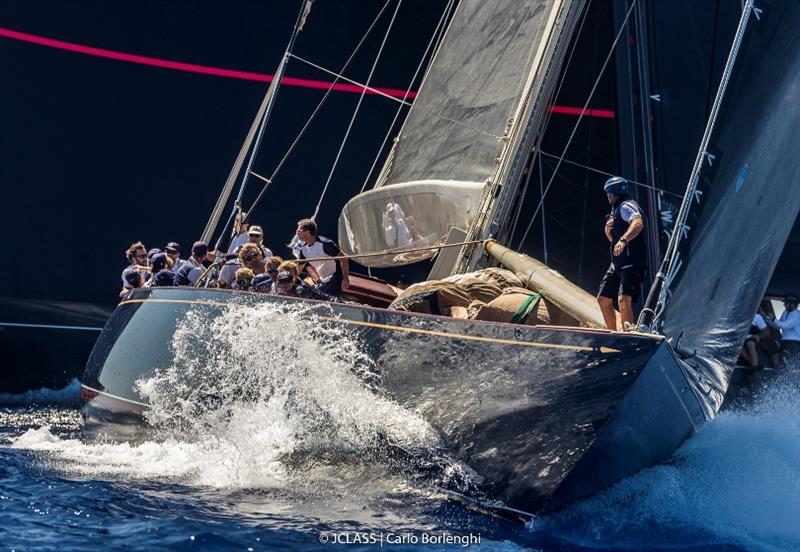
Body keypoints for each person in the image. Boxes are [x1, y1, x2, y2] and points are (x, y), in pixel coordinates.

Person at [596, 177, 647, 330]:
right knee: (603, 299)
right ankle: (613, 334)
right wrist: (609, 234)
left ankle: (627, 334)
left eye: (608, 193)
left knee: (623, 300)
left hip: (631, 262)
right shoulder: (616, 210)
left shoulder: (626, 206)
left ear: (612, 193)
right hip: (618, 263)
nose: (607, 197)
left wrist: (623, 240)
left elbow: (638, 223)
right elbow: (615, 239)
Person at [295, 218, 350, 297]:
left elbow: (344, 258)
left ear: (307, 233)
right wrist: (291, 281)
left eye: (299, 231)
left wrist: (345, 279)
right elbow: (298, 269)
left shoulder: (325, 245)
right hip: (321, 281)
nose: (297, 233)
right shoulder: (304, 250)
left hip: (334, 279)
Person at [765, 293, 800, 362]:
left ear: (792, 304)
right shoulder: (785, 312)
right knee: (771, 345)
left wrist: (773, 319)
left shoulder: (797, 314)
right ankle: (776, 368)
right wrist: (765, 319)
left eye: (786, 303)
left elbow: (785, 326)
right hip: (784, 340)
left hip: (795, 342)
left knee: (784, 355)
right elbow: (777, 326)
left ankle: (788, 371)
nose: (784, 305)